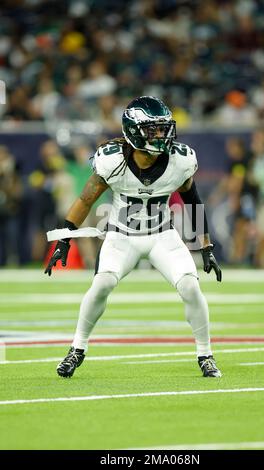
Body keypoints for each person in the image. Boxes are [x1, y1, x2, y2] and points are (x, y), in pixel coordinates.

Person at [45, 96, 222, 379]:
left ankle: (205, 353)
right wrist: (63, 240)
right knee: (102, 283)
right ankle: (77, 348)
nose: (162, 135)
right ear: (134, 131)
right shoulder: (112, 160)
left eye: (163, 129)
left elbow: (192, 199)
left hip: (162, 236)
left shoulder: (180, 160)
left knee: (190, 286)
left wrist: (206, 246)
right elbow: (85, 200)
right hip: (121, 236)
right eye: (153, 130)